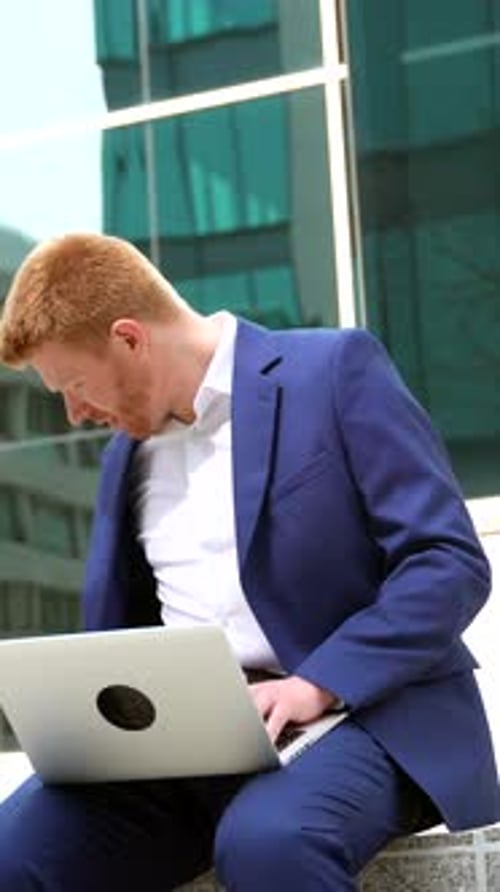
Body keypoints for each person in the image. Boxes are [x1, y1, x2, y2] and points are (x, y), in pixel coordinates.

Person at [0, 233, 497, 892]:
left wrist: (315, 683)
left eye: (76, 385)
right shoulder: (128, 452)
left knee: (268, 843)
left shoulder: (334, 371)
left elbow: (447, 560)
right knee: (13, 850)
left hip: (360, 719)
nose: (75, 413)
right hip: (186, 742)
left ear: (129, 338)